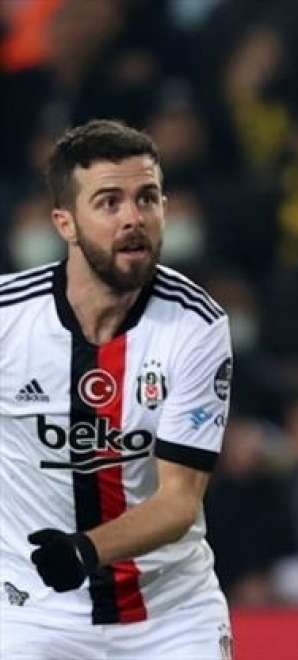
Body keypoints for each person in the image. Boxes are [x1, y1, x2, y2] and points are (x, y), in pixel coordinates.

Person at [0, 120, 233, 659]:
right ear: (66, 223)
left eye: (146, 198)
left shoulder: (197, 325)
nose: (133, 217)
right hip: (32, 611)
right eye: (109, 203)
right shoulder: (9, 319)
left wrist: (84, 550)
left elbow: (178, 502)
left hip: (171, 613)